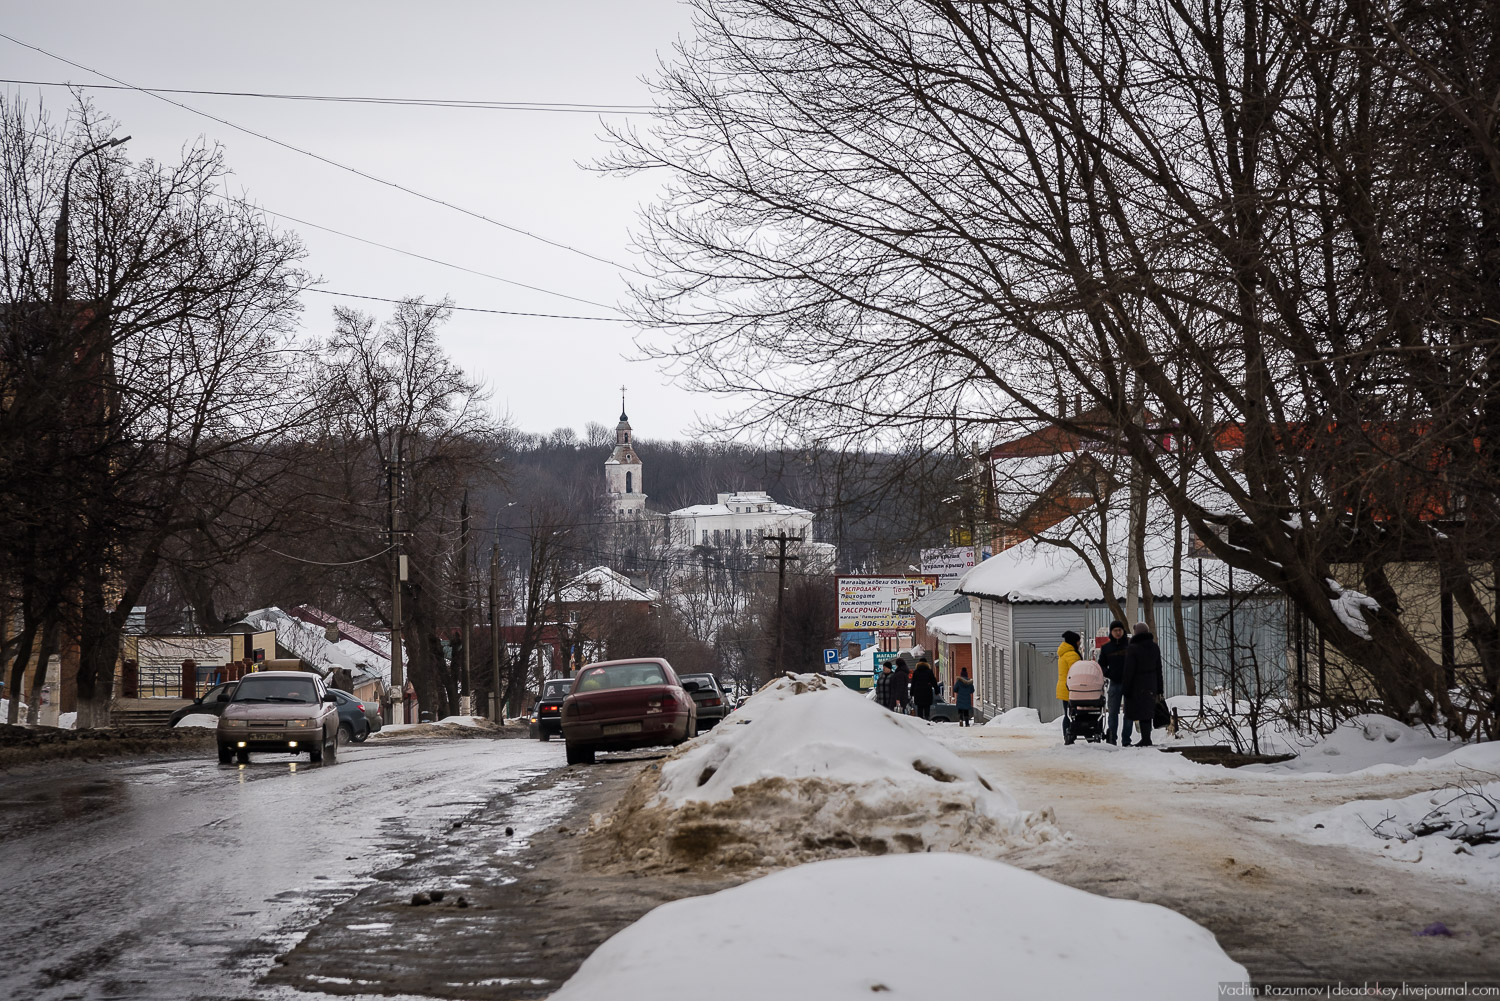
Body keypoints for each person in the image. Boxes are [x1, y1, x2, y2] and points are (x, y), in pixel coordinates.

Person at [1120, 622, 1165, 747]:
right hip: (1151, 683)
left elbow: (1129, 670)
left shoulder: (1133, 648)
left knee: (1139, 711)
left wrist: (1126, 688)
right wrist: (1160, 688)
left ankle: (1145, 739)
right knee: (1147, 711)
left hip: (1137, 684)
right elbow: (1158, 669)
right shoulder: (1154, 647)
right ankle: (1146, 738)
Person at [1096, 620, 1131, 745]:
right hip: (1114, 683)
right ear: (1111, 632)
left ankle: (1126, 739)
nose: (1118, 633)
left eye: (1120, 630)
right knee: (1112, 712)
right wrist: (1109, 673)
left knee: (1129, 713)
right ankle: (1112, 738)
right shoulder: (1106, 648)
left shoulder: (1129, 645)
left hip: (1129, 683)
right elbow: (1101, 665)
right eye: (1115, 630)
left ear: (1123, 631)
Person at [1056, 630, 1082, 742]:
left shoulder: (1063, 653)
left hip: (1063, 687)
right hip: (1071, 688)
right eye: (1078, 642)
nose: (1079, 644)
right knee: (1073, 713)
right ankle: (1070, 734)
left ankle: (1066, 735)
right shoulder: (1072, 655)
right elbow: (1077, 671)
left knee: (1067, 713)